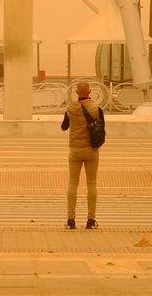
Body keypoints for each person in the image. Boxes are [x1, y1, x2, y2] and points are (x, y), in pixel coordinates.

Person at [60, 81, 104, 229]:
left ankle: (70, 220)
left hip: (75, 150)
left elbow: (64, 127)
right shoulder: (96, 109)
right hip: (92, 151)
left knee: (73, 183)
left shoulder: (70, 108)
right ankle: (91, 221)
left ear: (77, 93)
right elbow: (101, 128)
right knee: (92, 184)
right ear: (90, 92)